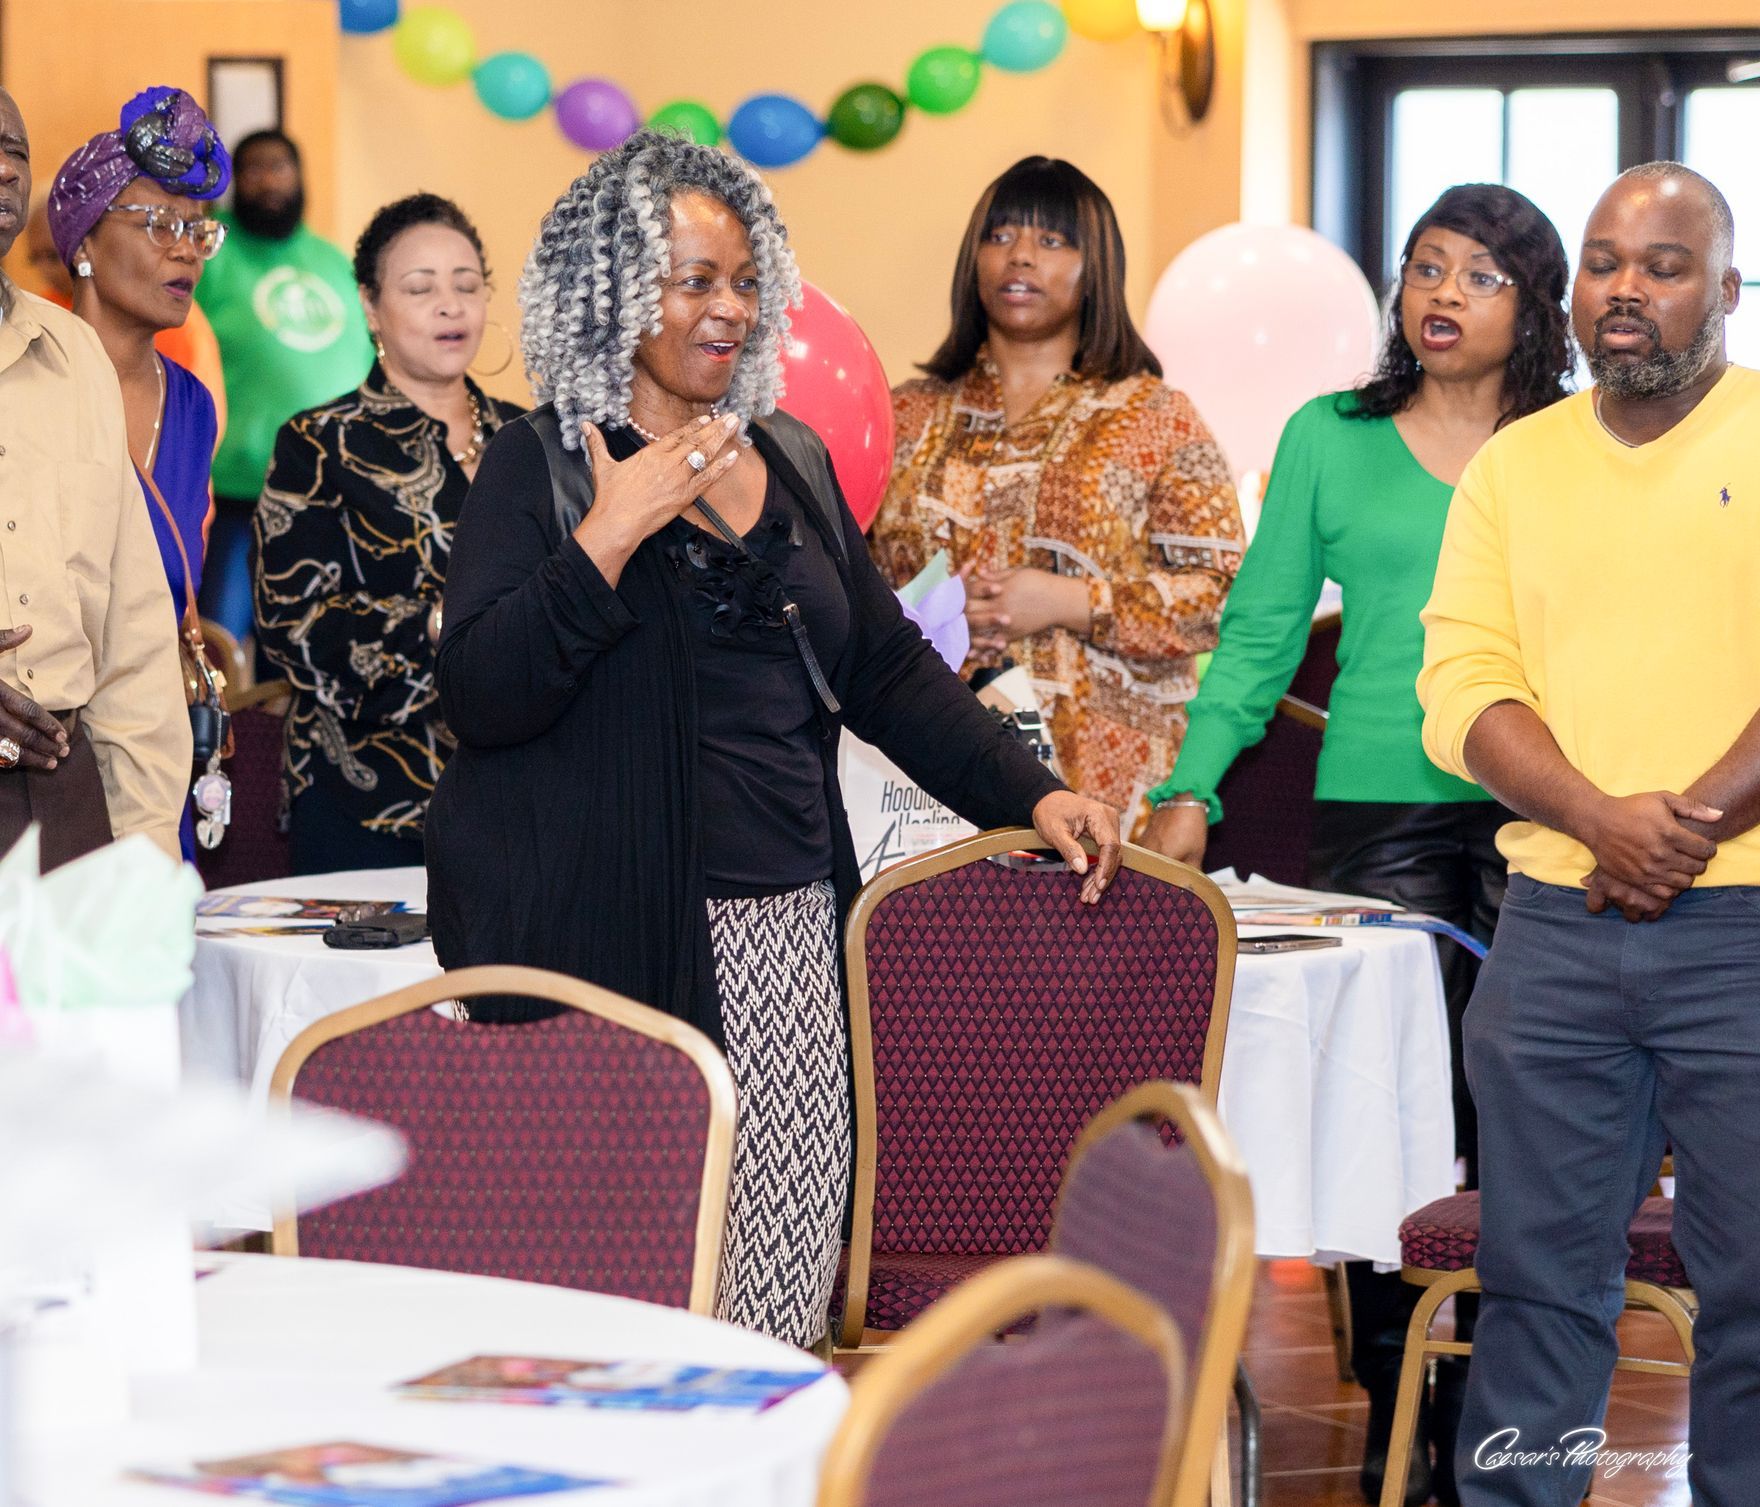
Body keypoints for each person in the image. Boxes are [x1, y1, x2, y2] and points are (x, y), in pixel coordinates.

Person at [426, 131, 1122, 1351]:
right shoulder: (543, 466)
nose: (732, 309)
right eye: (695, 280)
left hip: (790, 924)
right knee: (634, 1304)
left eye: (745, 280)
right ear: (617, 288)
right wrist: (611, 537)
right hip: (614, 934)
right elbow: (482, 694)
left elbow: (885, 668)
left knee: (779, 1286)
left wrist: (1033, 793)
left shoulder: (788, 456)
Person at [1419, 162, 1760, 1506]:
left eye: (1664, 263)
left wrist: (1679, 828)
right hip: (1555, 927)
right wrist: (1596, 817)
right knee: (1535, 1285)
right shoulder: (1517, 464)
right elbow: (1459, 683)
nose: (1626, 288)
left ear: (1728, 290)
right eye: (1603, 261)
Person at [1142, 183, 1574, 1506]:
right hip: (1381, 814)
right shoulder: (1330, 436)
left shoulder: (1581, 448)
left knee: (1537, 1129)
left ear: (1532, 309)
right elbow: (1261, 635)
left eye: (1479, 277)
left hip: (1551, 810)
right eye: (1425, 268)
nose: (1441, 294)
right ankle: (1403, 1418)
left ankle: (1510, 1421)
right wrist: (1192, 786)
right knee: (1394, 1119)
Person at [868, 156, 1244, 837]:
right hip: (918, 782)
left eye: (1052, 241)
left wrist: (1072, 601)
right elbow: (842, 583)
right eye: (1001, 235)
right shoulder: (903, 415)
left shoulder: (1155, 417)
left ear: (1095, 264)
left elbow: (1223, 596)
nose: (1020, 257)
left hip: (1110, 788)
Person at [253, 194, 521, 875]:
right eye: (420, 287)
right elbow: (294, 622)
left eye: (466, 285)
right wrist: (445, 624)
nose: (449, 305)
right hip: (367, 802)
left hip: (524, 797)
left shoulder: (532, 440)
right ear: (371, 308)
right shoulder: (320, 443)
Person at [0, 86, 189, 866]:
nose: (5, 172)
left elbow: (136, 637)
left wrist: (146, 853)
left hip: (64, 796)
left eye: (14, 154)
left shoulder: (74, 356)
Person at [47, 86, 229, 860]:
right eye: (157, 224)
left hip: (156, 741)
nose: (183, 249)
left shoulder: (191, 403)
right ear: (84, 240)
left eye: (196, 230)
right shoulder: (26, 380)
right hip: (45, 746)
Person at [196, 128, 372, 641]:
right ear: (234, 180)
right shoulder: (213, 253)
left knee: (309, 647)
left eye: (280, 166)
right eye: (253, 167)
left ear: (300, 177)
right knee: (217, 645)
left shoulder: (333, 260)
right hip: (235, 493)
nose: (268, 179)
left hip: (328, 494)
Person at [24, 189, 228, 438]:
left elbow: (190, 438)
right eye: (38, 259)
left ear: (87, 244)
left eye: (54, 256)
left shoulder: (170, 322)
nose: (50, 270)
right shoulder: (38, 315)